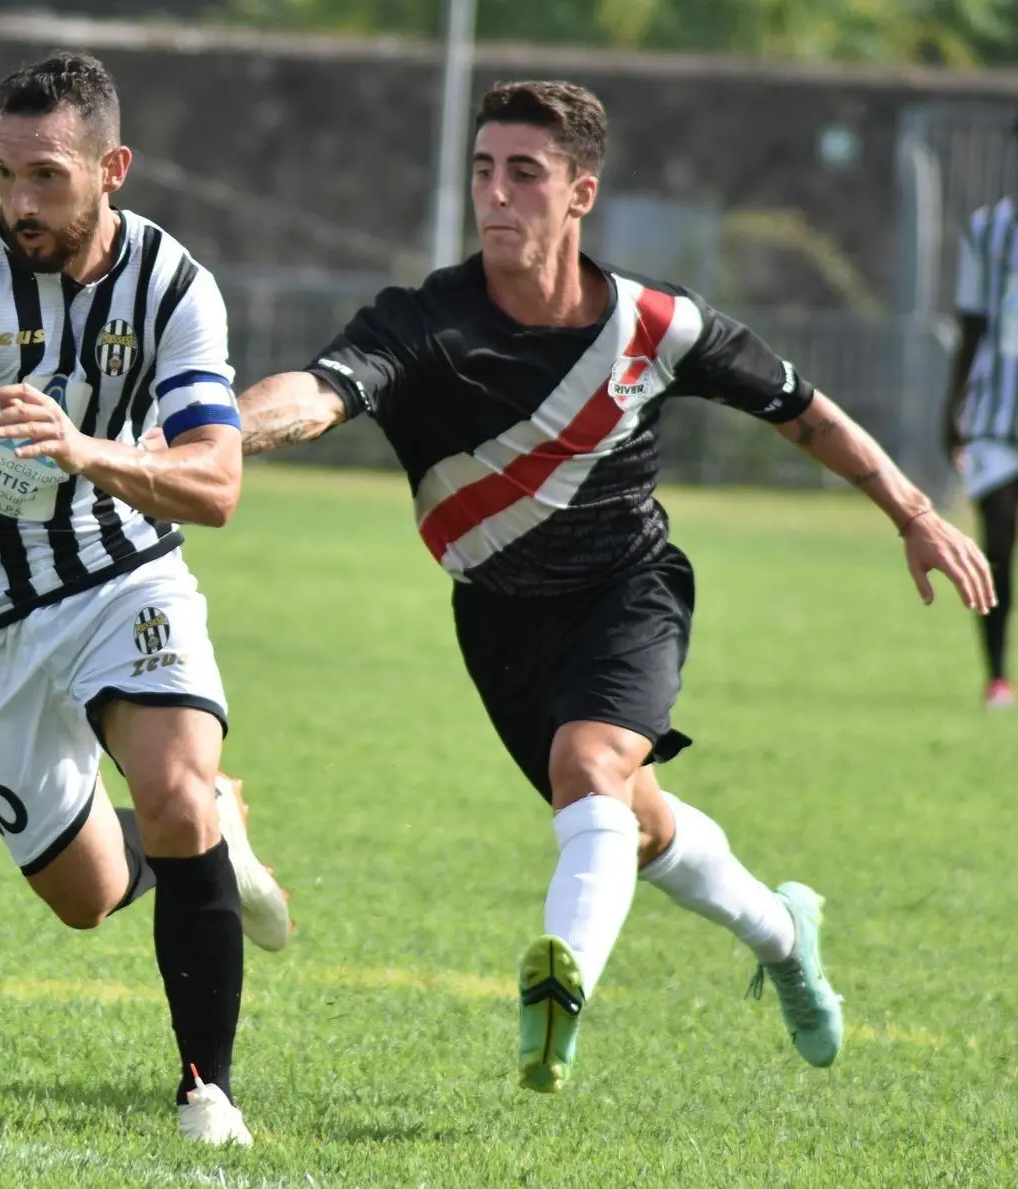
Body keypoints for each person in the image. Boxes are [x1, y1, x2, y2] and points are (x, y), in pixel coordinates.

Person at [234, 80, 996, 1094]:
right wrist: (208, 431)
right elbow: (315, 396)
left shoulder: (655, 323)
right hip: (497, 620)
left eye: (524, 174)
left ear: (579, 192)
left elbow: (801, 409)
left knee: (589, 768)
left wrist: (912, 510)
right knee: (634, 824)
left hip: (627, 590)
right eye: (482, 170)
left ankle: (562, 988)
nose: (495, 194)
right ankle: (782, 936)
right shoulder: (423, 321)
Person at [0, 51, 290, 1145]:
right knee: (88, 893)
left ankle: (204, 1088)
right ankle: (219, 831)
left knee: (173, 792)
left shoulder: (176, 286)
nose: (17, 204)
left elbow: (215, 485)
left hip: (120, 568)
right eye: (0, 175)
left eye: (46, 178)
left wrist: (84, 452)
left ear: (111, 167)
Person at [943, 126, 1018, 709]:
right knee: (998, 544)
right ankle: (996, 676)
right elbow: (972, 323)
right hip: (997, 418)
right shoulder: (989, 228)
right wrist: (953, 406)